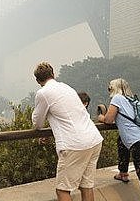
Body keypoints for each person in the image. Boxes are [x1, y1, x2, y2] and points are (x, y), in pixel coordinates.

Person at [32, 62, 103, 201]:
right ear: (53, 74)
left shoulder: (43, 93)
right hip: (93, 139)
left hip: (74, 144)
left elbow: (37, 124)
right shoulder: (67, 87)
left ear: (38, 80)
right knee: (86, 186)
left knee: (62, 190)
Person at [98, 78, 140, 201]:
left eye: (110, 88)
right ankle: (123, 172)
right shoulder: (131, 98)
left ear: (114, 88)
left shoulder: (117, 98)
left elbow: (109, 119)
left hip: (139, 141)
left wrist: (101, 117)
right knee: (122, 141)